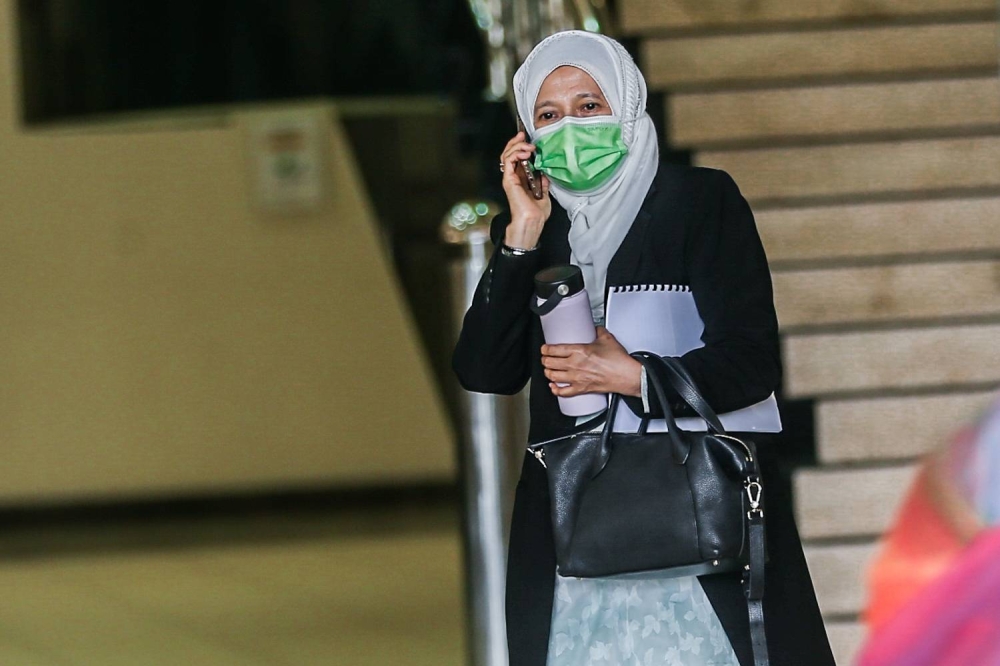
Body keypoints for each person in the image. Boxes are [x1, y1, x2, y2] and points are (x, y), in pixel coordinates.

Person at [453, 30, 834, 666]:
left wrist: (632, 377)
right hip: (575, 527)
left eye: (589, 106)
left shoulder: (699, 203)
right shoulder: (533, 231)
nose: (571, 127)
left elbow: (751, 361)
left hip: (698, 511)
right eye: (548, 115)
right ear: (526, 137)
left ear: (627, 105)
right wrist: (521, 233)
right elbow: (485, 370)